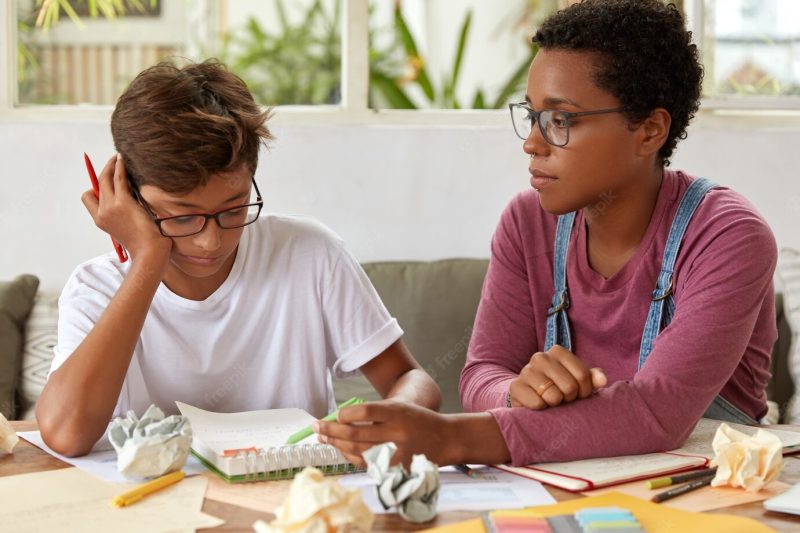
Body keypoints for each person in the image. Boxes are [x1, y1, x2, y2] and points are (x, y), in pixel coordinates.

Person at [315, 0, 776, 468]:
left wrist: (450, 439)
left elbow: (657, 413)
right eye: (531, 115)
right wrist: (515, 392)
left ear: (649, 130)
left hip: (707, 491)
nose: (531, 143)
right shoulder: (526, 223)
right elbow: (481, 373)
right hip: (569, 479)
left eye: (560, 120)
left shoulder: (728, 236)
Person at [37, 60, 440, 457]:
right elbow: (65, 434)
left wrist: (391, 418)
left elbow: (410, 378)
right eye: (182, 216)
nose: (211, 241)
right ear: (128, 195)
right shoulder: (96, 288)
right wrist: (147, 261)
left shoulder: (311, 254)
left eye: (234, 208)